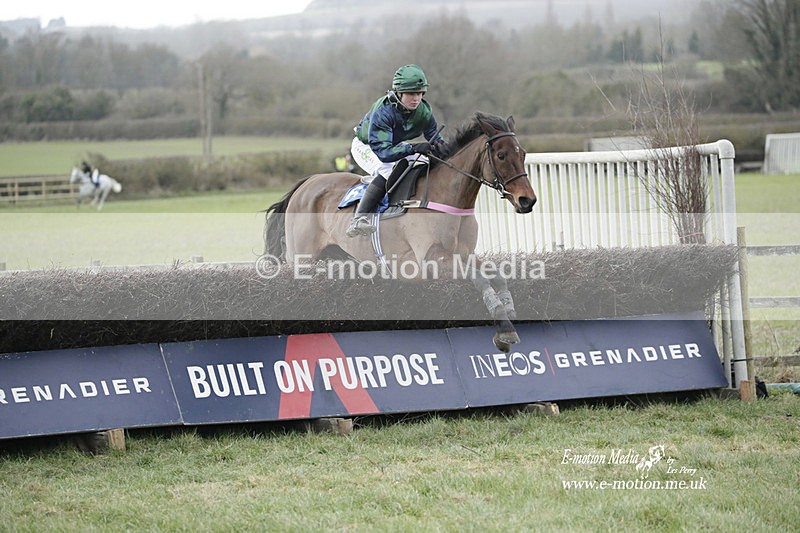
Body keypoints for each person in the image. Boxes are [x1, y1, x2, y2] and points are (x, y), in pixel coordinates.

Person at [347, 64, 445, 237]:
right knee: (387, 170)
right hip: (368, 146)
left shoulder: (424, 111)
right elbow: (384, 153)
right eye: (411, 94)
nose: (416, 99)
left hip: (392, 144)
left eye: (420, 93)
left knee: (424, 161)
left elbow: (436, 140)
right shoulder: (383, 111)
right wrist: (414, 147)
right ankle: (359, 219)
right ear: (399, 93)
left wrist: (447, 152)